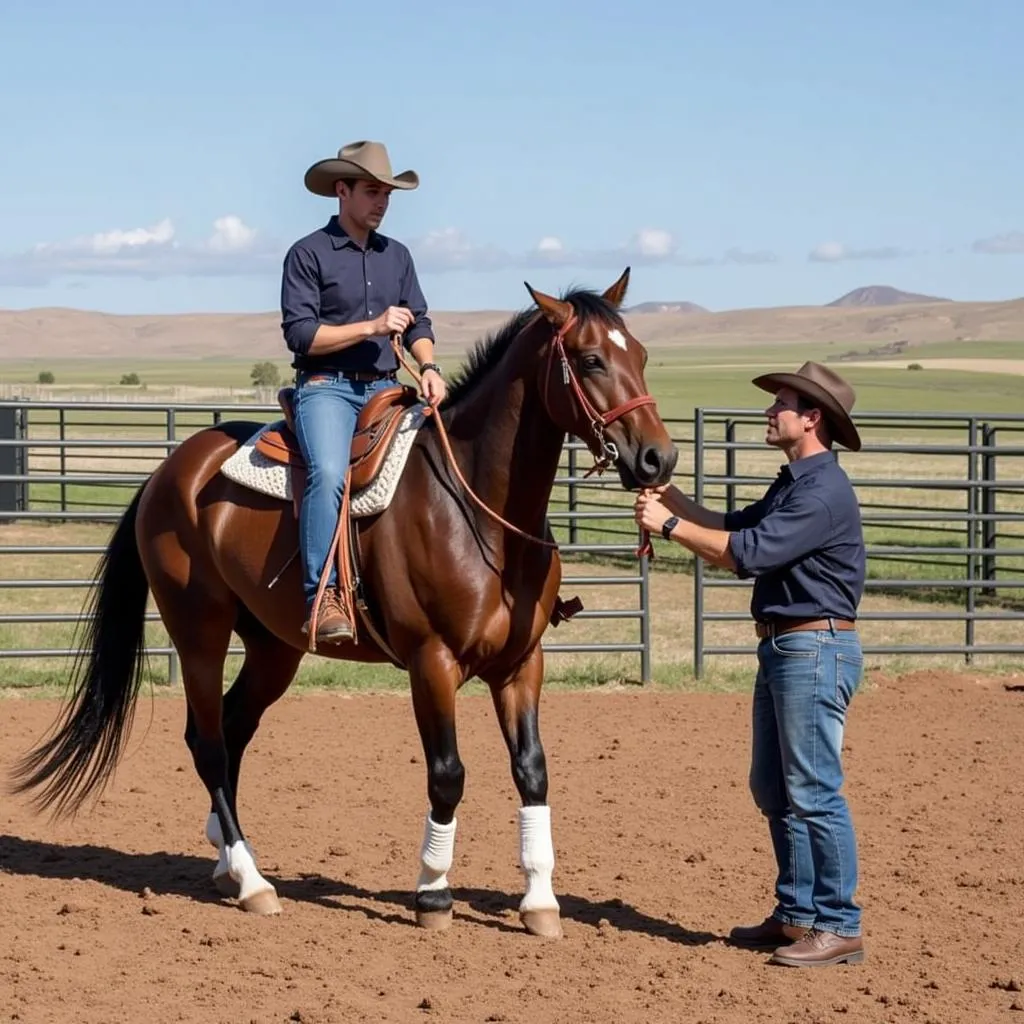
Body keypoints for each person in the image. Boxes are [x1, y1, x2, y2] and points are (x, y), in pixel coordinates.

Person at [634, 361, 867, 968]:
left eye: (781, 404)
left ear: (811, 418)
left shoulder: (822, 492)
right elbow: (734, 526)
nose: (770, 412)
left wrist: (670, 525)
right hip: (788, 648)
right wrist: (671, 499)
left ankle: (840, 924)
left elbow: (749, 553)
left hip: (813, 649)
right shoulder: (795, 482)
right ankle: (796, 915)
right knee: (775, 788)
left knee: (814, 792)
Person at [280, 140, 446, 644]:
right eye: (372, 191)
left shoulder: (397, 256)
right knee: (329, 474)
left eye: (387, 194)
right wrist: (371, 325)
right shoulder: (307, 254)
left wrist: (430, 365)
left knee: (443, 463)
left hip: (386, 391)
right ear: (342, 191)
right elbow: (301, 334)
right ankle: (322, 595)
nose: (381, 202)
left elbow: (419, 320)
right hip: (327, 389)